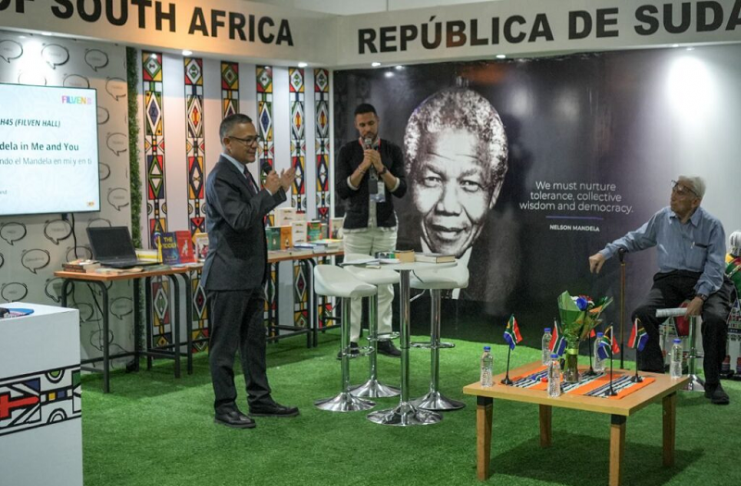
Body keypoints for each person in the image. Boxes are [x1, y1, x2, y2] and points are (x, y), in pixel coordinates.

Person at [589, 176, 733, 405]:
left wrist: (700, 296)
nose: (674, 194)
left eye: (682, 191)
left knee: (715, 319)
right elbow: (634, 239)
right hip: (671, 280)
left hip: (708, 280)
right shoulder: (662, 217)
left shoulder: (712, 225)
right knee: (642, 314)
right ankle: (654, 378)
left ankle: (714, 384)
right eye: (675, 188)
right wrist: (605, 253)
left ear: (695, 201)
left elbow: (715, 267)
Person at [202, 113, 299, 428]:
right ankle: (225, 406)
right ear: (227, 142)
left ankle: (260, 399)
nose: (254, 145)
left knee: (254, 343)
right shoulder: (220, 177)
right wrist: (268, 193)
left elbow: (251, 211)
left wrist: (278, 191)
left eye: (256, 139)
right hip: (227, 276)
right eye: (247, 140)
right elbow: (241, 219)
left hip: (250, 275)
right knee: (224, 348)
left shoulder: (241, 173)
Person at [402, 87, 509, 300]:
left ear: (494, 192)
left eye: (469, 183)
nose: (448, 206)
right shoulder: (395, 269)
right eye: (432, 179)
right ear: (411, 179)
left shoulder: (502, 277)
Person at [336, 103, 407, 357]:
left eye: (370, 123)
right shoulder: (347, 152)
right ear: (357, 126)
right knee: (354, 284)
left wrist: (381, 167)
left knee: (385, 285)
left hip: (385, 227)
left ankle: (382, 337)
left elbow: (401, 189)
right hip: (357, 229)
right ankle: (352, 341)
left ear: (378, 122)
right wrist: (364, 166)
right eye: (362, 125)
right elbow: (343, 190)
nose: (367, 129)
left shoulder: (391, 150)